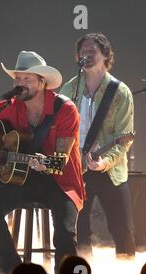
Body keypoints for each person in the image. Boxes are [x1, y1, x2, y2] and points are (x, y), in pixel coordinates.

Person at [0, 51, 85, 274]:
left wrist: (46, 164)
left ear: (42, 82)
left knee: (65, 232)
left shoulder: (65, 109)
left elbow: (60, 161)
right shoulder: (11, 104)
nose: (20, 83)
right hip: (24, 179)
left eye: (26, 78)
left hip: (61, 180)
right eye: (17, 78)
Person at [60, 33, 135, 257]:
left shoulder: (120, 92)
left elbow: (123, 139)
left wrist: (104, 162)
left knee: (122, 229)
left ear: (105, 55)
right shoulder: (69, 90)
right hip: (76, 167)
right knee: (78, 229)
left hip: (110, 170)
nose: (87, 55)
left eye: (92, 51)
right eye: (83, 51)